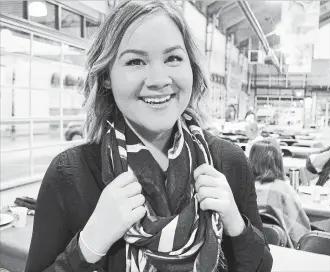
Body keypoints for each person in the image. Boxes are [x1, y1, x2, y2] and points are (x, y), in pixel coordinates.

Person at [25, 1, 272, 271]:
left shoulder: (227, 162)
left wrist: (236, 225)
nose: (158, 79)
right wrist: (88, 245)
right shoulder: (70, 174)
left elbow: (261, 266)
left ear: (192, 68)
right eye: (135, 61)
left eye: (173, 58)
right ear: (106, 75)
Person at [249, 139, 311, 248]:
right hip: (280, 251)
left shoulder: (242, 187)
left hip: (249, 247)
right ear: (278, 160)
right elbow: (300, 232)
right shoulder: (283, 190)